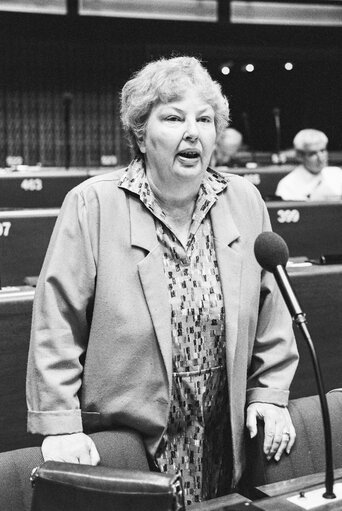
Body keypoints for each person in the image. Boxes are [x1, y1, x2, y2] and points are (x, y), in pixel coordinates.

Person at [26, 56, 298, 507]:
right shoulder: (93, 203)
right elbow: (57, 321)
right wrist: (61, 425)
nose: (193, 131)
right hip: (128, 439)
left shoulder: (244, 199)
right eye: (173, 118)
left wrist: (268, 394)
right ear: (140, 132)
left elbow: (273, 310)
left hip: (220, 428)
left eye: (205, 119)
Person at [275, 129, 342, 200]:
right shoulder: (287, 185)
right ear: (299, 156)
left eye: (322, 151)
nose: (321, 158)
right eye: (313, 154)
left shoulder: (337, 174)